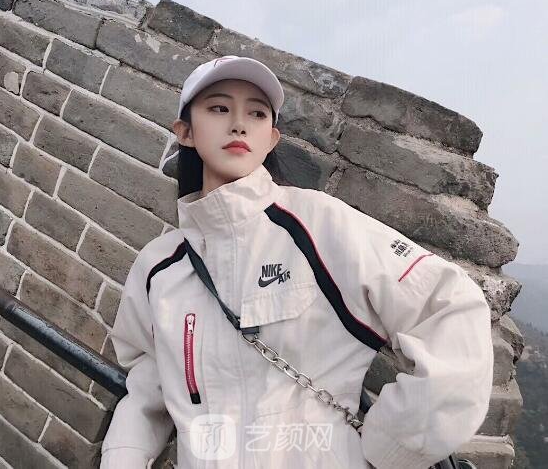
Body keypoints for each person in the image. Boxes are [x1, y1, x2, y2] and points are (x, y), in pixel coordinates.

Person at [99, 55, 494, 469]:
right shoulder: (159, 267)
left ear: (271, 138)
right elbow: (147, 388)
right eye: (218, 108)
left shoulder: (320, 224)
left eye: (256, 113)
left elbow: (450, 308)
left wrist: (388, 447)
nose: (239, 124)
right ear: (185, 132)